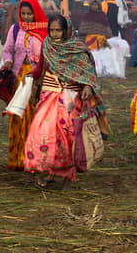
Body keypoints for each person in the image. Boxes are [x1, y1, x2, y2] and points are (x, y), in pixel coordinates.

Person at [25, 14, 107, 188]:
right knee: (42, 132)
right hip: (49, 95)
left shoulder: (77, 49)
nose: (55, 34)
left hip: (69, 97)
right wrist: (31, 74)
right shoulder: (47, 44)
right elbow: (41, 67)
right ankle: (48, 170)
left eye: (58, 30)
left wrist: (86, 88)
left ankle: (67, 175)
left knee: (67, 135)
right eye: (52, 30)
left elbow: (88, 75)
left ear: (66, 31)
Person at [0, 0, 48, 171]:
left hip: (37, 81)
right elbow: (7, 50)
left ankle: (34, 158)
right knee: (18, 116)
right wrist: (8, 61)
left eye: (30, 13)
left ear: (36, 13)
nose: (26, 17)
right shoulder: (15, 29)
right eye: (23, 14)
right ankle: (18, 157)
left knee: (35, 117)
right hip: (19, 80)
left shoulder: (45, 31)